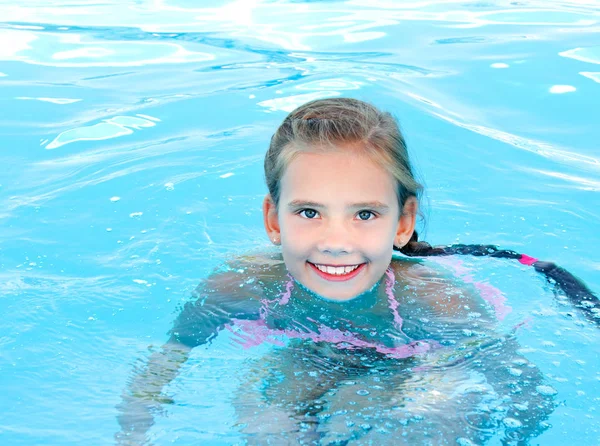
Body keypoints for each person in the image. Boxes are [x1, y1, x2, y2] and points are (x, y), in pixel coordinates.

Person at [116, 98, 560, 445]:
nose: (335, 241)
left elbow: (526, 394)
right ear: (274, 220)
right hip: (310, 356)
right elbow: (167, 359)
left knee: (429, 412)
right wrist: (133, 435)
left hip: (423, 366)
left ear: (403, 222)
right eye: (309, 212)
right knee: (264, 413)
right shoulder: (237, 286)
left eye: (364, 214)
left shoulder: (439, 303)